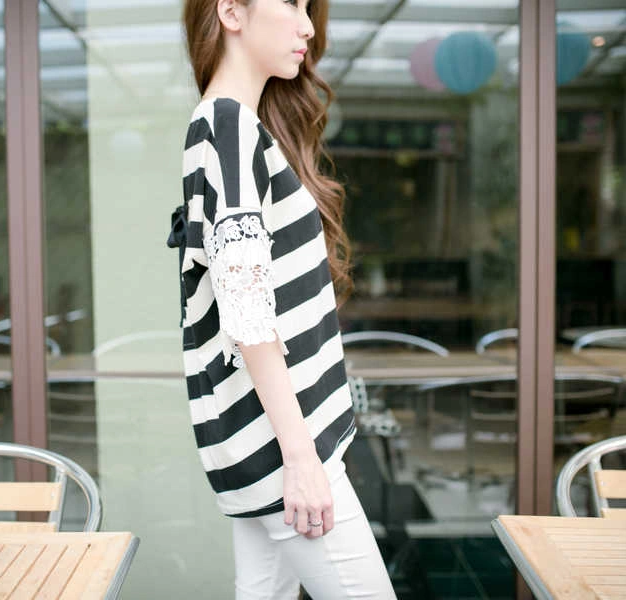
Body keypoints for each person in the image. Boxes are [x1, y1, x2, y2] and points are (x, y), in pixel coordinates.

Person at [169, 0, 396, 598]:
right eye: (290, 3)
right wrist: (300, 459)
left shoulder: (236, 128)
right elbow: (246, 311)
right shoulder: (226, 129)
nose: (307, 26)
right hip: (285, 447)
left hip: (274, 442)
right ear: (232, 12)